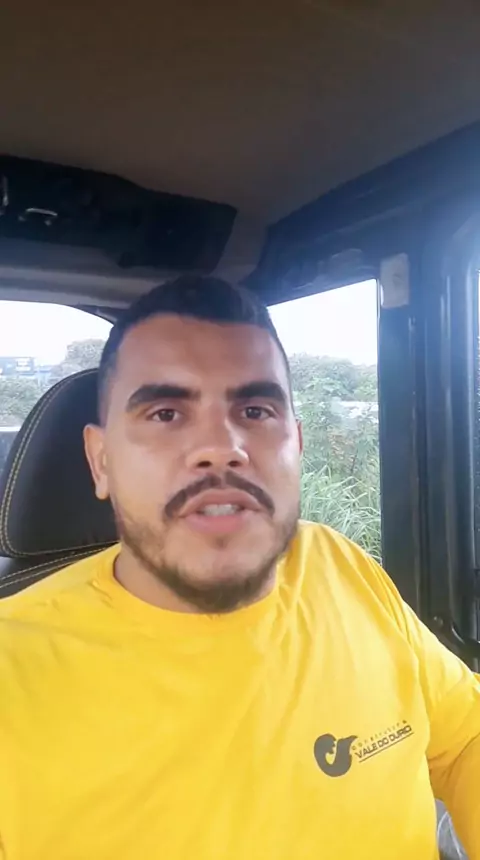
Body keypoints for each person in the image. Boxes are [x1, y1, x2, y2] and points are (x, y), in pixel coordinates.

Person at [0, 275, 478, 860]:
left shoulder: (339, 564)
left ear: (296, 444)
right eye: (166, 413)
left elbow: (464, 738)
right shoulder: (13, 668)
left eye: (254, 410)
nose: (222, 447)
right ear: (101, 462)